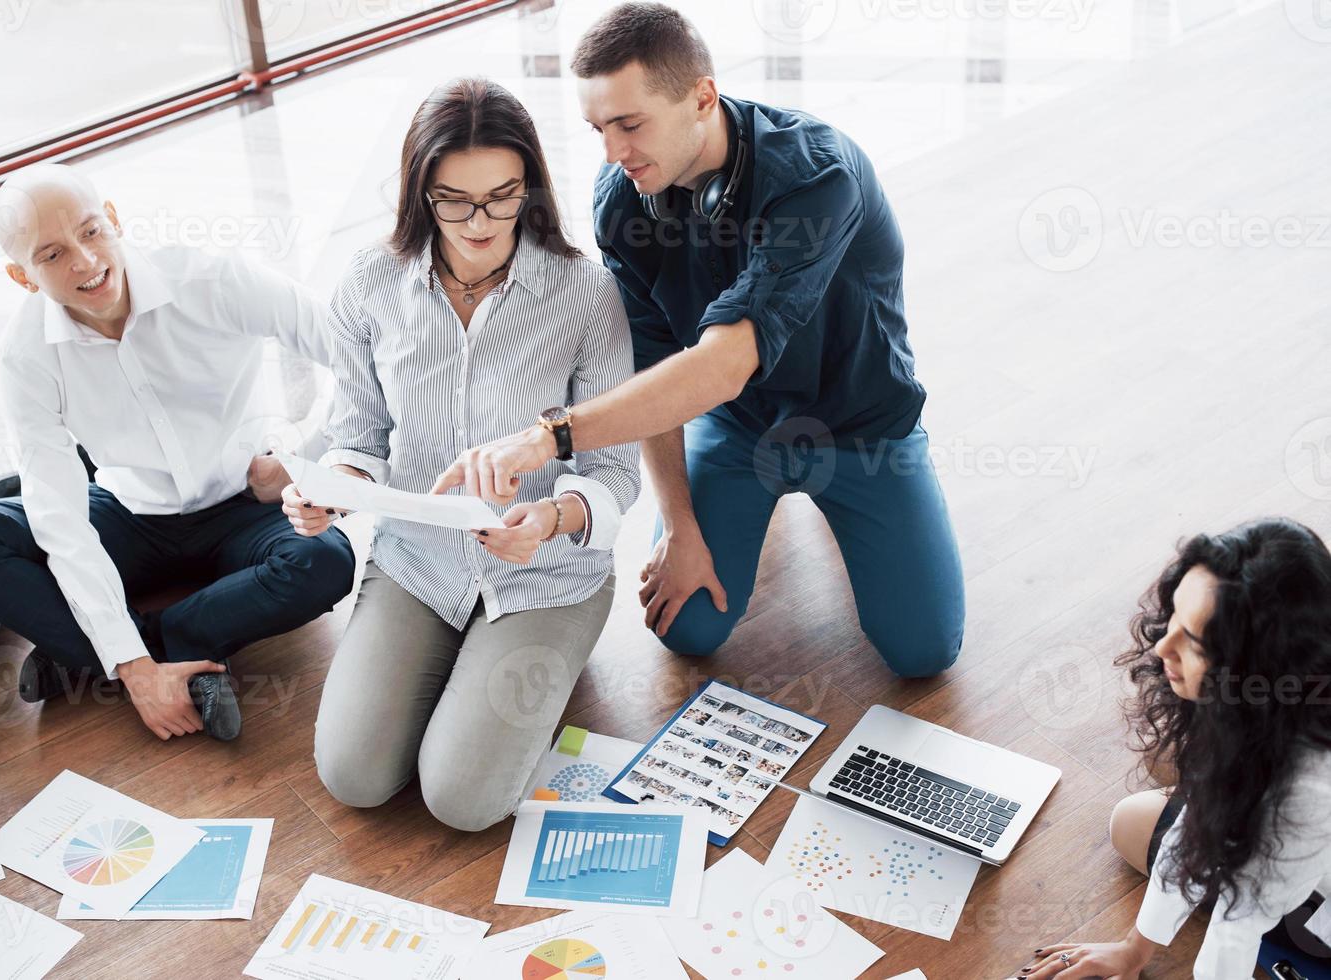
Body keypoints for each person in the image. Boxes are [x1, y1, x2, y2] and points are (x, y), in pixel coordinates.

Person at [431, 2, 965, 677]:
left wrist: (548, 437)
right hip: (741, 430)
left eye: (630, 124)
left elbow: (722, 365)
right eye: (598, 128)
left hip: (861, 427)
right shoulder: (622, 198)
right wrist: (679, 525)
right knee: (686, 628)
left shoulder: (815, 177)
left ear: (702, 97)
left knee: (925, 653)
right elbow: (650, 369)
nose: (613, 153)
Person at [291, 77, 640, 832]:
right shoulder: (368, 285)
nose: (480, 221)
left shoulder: (587, 294)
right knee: (354, 776)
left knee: (464, 802)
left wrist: (547, 520)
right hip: (419, 562)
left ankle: (541, 657)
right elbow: (357, 434)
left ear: (531, 189)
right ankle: (459, 664)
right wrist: (333, 487)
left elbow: (615, 469)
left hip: (546, 573)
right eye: (454, 200)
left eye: (503, 196)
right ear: (421, 194)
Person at [0, 164, 355, 742]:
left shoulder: (213, 280)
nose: (83, 260)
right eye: (51, 255)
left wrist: (306, 458)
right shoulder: (24, 355)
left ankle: (105, 650)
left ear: (115, 220)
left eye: (91, 231)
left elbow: (358, 356)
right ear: (21, 276)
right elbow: (60, 516)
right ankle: (151, 655)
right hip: (129, 511)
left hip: (244, 500)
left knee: (324, 562)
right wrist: (135, 669)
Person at [1016, 518, 1331, 979]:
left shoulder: (1307, 791)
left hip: (1312, 887)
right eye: (1176, 618)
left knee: (1133, 822)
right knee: (1165, 761)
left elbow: (1238, 923)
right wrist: (1132, 948)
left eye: (1195, 643)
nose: (1163, 645)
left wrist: (1134, 952)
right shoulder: (1281, 689)